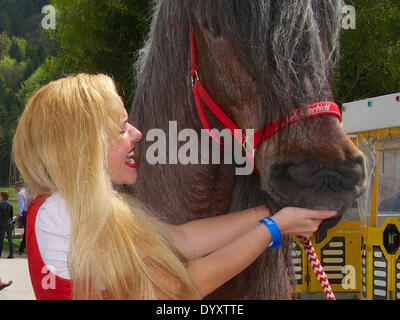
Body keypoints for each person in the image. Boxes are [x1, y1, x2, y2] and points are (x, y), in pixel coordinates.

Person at [12, 73, 332, 300]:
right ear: (83, 146)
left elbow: (183, 238)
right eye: (123, 128)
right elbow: (180, 288)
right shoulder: (64, 212)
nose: (137, 133)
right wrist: (273, 228)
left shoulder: (73, 207)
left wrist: (271, 210)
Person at [14, 182, 28, 255]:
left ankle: (21, 249)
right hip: (29, 212)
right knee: (27, 231)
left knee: (26, 232)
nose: (15, 189)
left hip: (24, 213)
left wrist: (17, 217)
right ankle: (21, 248)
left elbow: (21, 207)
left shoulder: (20, 194)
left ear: (18, 186)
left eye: (15, 187)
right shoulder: (26, 191)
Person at [0, 190, 14, 259]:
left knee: (1, 239)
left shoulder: (0, 205)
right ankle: (11, 254)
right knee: (10, 239)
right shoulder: (10, 205)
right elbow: (11, 216)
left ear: (2, 196)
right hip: (9, 223)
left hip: (2, 224)